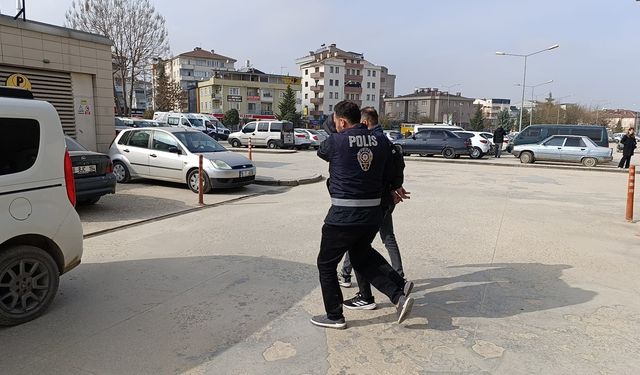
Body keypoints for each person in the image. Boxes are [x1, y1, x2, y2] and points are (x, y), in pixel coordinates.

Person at [311, 101, 414, 330]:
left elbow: (322, 150)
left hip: (342, 216)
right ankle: (399, 295)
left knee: (326, 265)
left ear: (341, 121)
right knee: (361, 255)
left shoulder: (336, 141)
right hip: (372, 215)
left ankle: (334, 315)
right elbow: (391, 170)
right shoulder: (381, 141)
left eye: (336, 122)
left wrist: (334, 128)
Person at [339, 107, 412, 311]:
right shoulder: (384, 140)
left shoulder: (373, 140)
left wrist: (390, 189)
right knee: (382, 239)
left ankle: (365, 292)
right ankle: (399, 280)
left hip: (373, 202)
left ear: (364, 122)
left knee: (359, 248)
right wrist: (395, 187)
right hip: (384, 199)